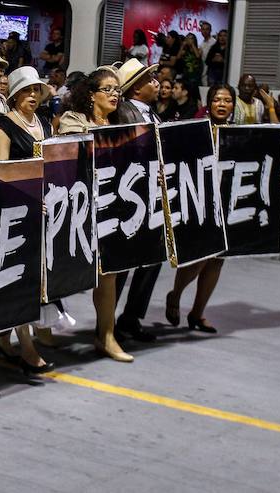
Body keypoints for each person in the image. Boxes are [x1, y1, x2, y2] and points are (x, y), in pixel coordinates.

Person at [59, 67, 133, 362]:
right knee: (63, 269)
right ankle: (39, 328)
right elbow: (73, 151)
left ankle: (107, 335)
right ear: (91, 95)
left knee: (109, 273)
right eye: (108, 89)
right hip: (77, 206)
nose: (114, 95)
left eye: (118, 90)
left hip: (112, 204)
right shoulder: (72, 119)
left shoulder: (123, 121)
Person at [0, 66, 58, 373]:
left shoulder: (42, 122)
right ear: (14, 95)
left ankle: (3, 340)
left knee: (31, 277)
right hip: (17, 212)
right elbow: (1, 174)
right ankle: (26, 347)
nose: (32, 95)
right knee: (20, 279)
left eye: (36, 91)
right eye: (26, 91)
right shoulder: (3, 127)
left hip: (46, 208)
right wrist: (25, 200)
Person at [165, 84, 237, 334]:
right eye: (217, 99)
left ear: (233, 106)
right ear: (209, 103)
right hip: (198, 201)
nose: (222, 104)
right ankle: (174, 296)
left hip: (226, 205)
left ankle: (197, 313)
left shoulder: (240, 135)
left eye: (227, 100)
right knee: (197, 259)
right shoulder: (194, 130)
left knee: (217, 261)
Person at [109, 58, 162, 344]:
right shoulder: (124, 113)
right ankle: (108, 324)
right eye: (149, 78)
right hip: (131, 197)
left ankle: (131, 318)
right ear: (136, 88)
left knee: (152, 259)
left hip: (152, 197)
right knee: (123, 263)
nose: (156, 81)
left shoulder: (153, 113)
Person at [199, 21, 216, 86]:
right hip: (203, 71)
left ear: (210, 30)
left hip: (211, 72)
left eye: (207, 29)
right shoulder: (201, 44)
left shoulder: (214, 42)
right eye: (203, 29)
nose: (205, 31)